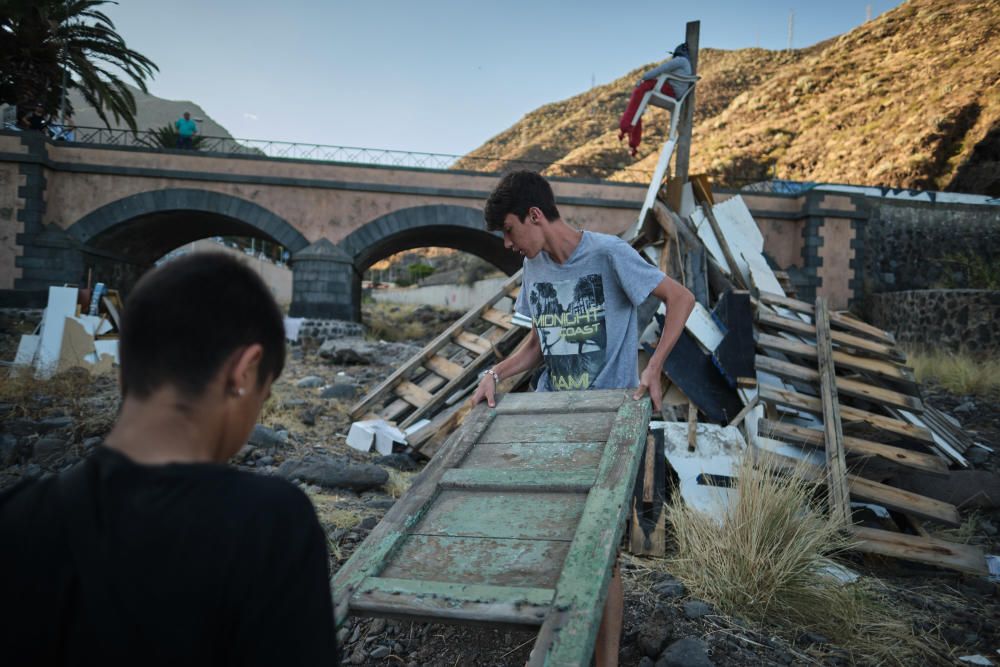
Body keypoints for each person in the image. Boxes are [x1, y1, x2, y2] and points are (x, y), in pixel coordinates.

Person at [0, 253, 339, 666]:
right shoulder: (272, 525)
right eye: (262, 399)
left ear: (126, 367)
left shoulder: (18, 518)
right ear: (244, 374)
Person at [471, 170, 695, 666]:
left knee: (601, 553)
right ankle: (558, 643)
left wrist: (653, 366)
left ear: (534, 215)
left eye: (509, 230)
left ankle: (605, 661)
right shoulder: (534, 269)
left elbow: (681, 299)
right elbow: (537, 345)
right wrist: (495, 373)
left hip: (605, 424)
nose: (508, 244)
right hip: (551, 422)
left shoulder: (610, 254)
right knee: (554, 541)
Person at [618, 43, 692, 156]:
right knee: (640, 103)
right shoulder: (685, 65)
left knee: (643, 87)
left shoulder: (681, 60)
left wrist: (643, 78)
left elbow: (661, 69)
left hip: (672, 92)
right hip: (673, 93)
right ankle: (633, 139)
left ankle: (626, 125)